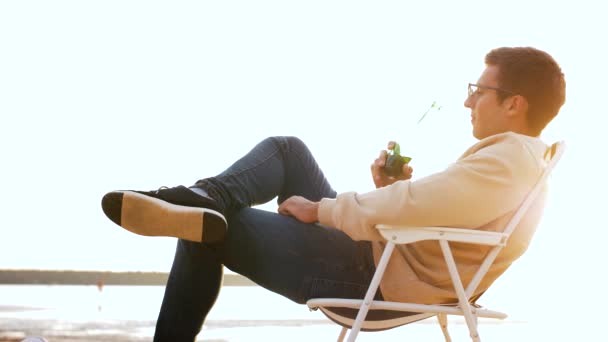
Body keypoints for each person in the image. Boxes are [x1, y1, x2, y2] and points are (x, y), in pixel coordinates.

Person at [101, 46, 566, 341]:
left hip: (370, 275)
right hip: (379, 256)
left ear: (513, 103)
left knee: (212, 226)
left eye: (478, 90)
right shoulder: (516, 160)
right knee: (288, 151)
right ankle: (199, 197)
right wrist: (391, 187)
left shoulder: (510, 159)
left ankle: (191, 202)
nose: (468, 101)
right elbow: (429, 210)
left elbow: (417, 206)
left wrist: (321, 209)